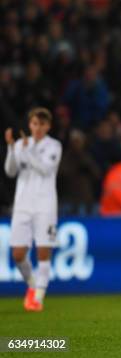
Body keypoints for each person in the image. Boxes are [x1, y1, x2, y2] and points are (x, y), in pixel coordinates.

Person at [4, 107, 62, 312]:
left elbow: (46, 169)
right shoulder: (21, 144)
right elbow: (10, 172)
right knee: (18, 255)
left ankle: (38, 298)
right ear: (30, 125)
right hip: (22, 205)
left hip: (45, 205)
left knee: (43, 251)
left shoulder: (54, 146)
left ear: (48, 126)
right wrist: (12, 149)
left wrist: (27, 152)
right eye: (35, 124)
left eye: (42, 124)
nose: (38, 128)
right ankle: (32, 285)